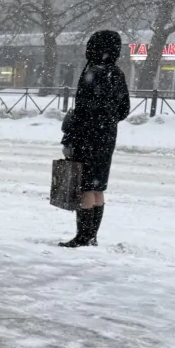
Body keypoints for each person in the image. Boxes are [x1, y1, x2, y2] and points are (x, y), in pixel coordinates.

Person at [59, 30, 130, 248]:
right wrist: (107, 120)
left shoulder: (92, 72)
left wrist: (70, 137)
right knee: (97, 187)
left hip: (87, 136)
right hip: (106, 137)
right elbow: (124, 109)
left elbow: (82, 111)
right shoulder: (116, 73)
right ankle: (92, 236)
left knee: (85, 187)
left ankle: (83, 236)